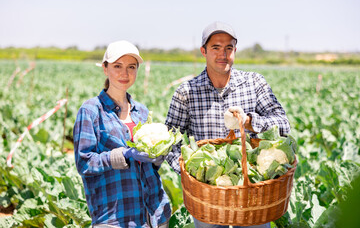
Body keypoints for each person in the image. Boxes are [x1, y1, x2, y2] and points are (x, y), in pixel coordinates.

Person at [165, 21, 291, 228]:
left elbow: (283, 124)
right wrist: (191, 175)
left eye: (229, 48)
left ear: (235, 51)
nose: (223, 54)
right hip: (207, 198)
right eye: (216, 47)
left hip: (252, 193)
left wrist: (250, 122)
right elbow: (170, 139)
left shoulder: (254, 83)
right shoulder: (186, 92)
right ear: (203, 51)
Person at [73, 40, 171, 228]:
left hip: (155, 213)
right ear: (105, 68)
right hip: (115, 217)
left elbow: (149, 168)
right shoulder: (91, 111)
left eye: (131, 67)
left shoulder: (141, 111)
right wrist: (122, 154)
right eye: (117, 66)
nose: (124, 73)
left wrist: (157, 156)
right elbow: (84, 163)